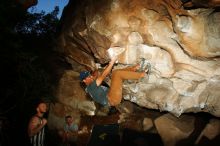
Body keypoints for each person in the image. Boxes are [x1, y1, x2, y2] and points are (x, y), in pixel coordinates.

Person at [80, 56, 149, 108]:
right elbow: (103, 75)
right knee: (117, 74)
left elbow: (97, 74)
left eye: (89, 75)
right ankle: (143, 75)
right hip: (112, 99)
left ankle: (135, 68)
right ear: (84, 80)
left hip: (111, 96)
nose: (90, 77)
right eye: (88, 77)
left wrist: (105, 66)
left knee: (115, 73)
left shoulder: (89, 88)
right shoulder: (91, 87)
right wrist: (111, 63)